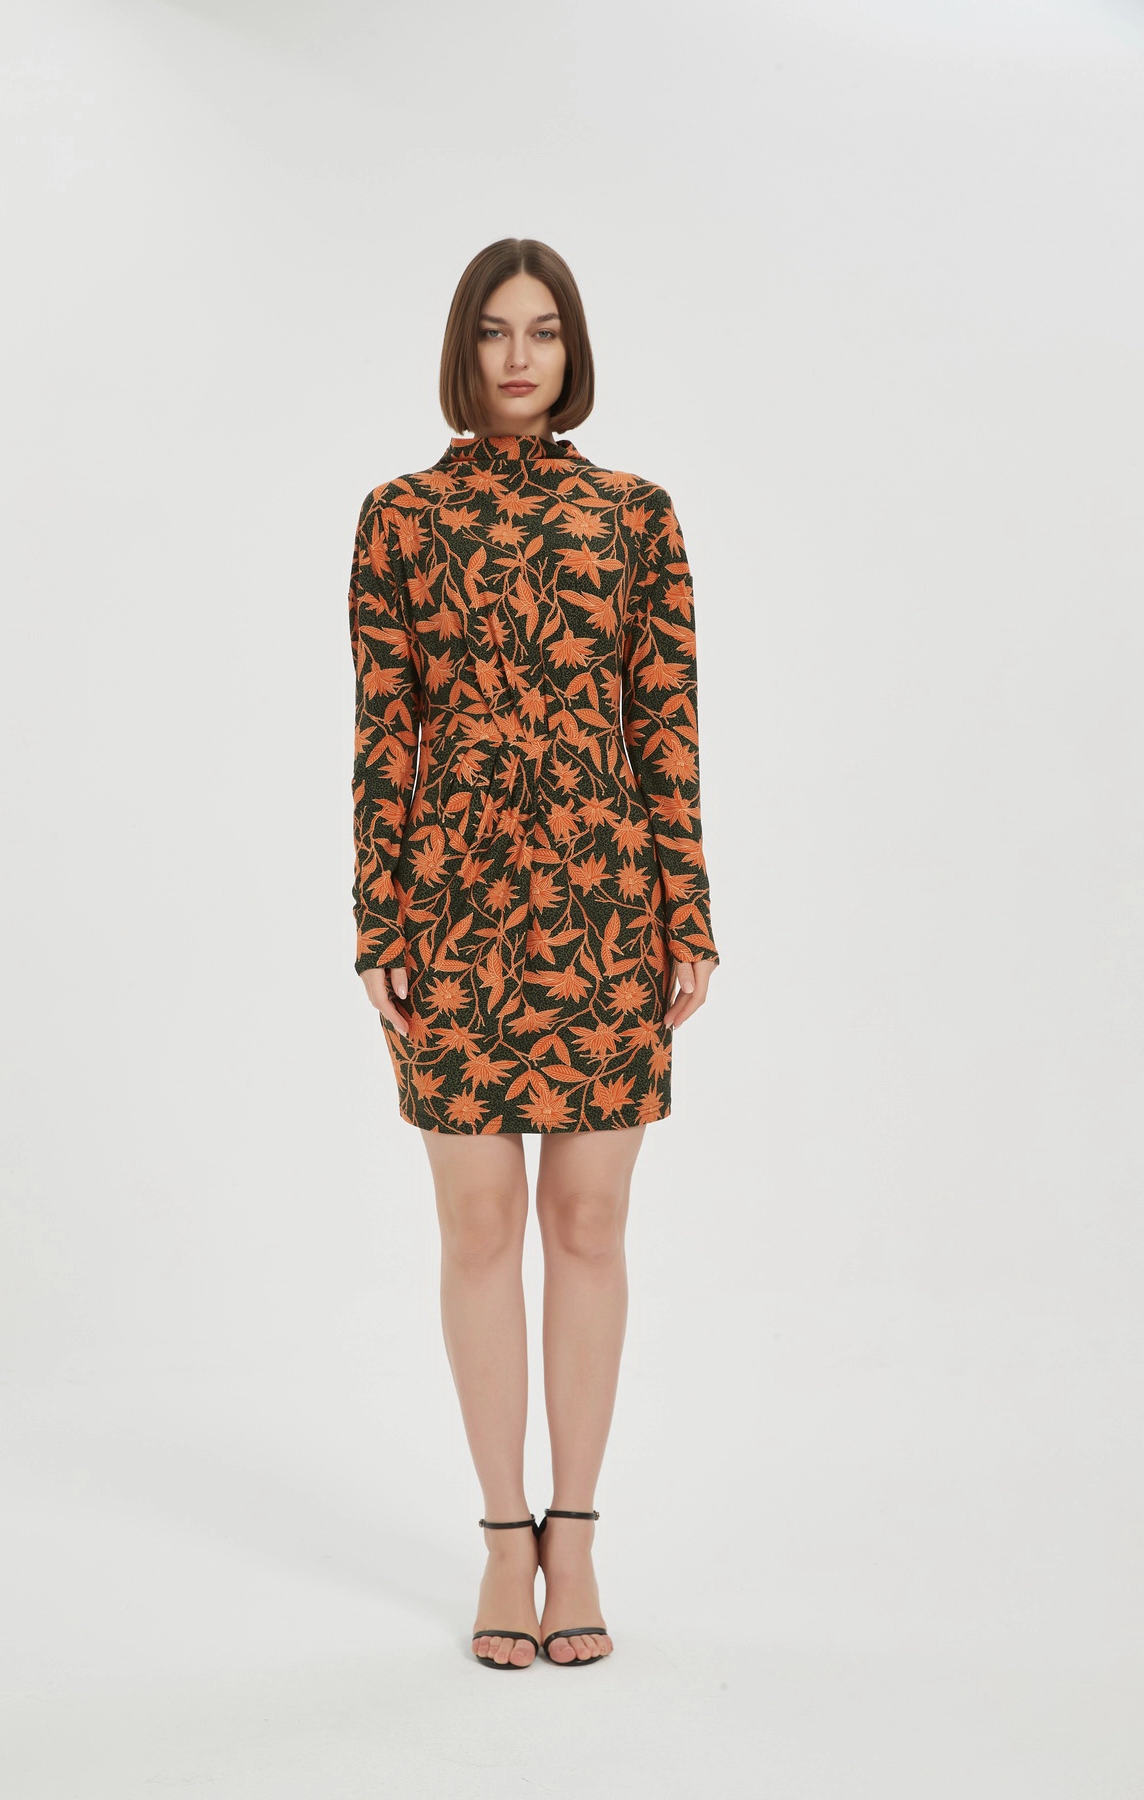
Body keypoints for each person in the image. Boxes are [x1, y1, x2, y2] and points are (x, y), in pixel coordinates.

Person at [347, 238, 719, 1667]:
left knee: (588, 1222)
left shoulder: (636, 516)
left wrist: (687, 910)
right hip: (451, 901)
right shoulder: (397, 518)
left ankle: (579, 1532)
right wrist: (377, 917)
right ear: (465, 349)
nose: (519, 357)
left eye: (544, 331)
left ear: (573, 351)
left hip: (603, 900)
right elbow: (386, 729)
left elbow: (666, 725)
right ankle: (504, 1534)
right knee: (477, 1224)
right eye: (497, 331)